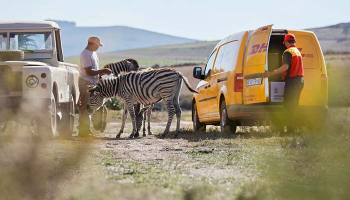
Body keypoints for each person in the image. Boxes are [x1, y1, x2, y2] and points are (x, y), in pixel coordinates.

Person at [263, 34, 304, 133]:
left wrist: (271, 74)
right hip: (300, 81)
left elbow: (285, 67)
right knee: (294, 105)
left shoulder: (287, 52)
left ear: (285, 42)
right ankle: (294, 130)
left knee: (288, 105)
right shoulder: (297, 51)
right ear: (294, 42)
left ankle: (290, 130)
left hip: (292, 81)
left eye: (284, 43)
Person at [78, 36, 111, 136]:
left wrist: (100, 76)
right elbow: (88, 71)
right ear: (91, 44)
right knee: (85, 107)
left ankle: (86, 129)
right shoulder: (85, 54)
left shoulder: (93, 54)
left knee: (89, 107)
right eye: (97, 45)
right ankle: (84, 130)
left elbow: (94, 70)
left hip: (92, 82)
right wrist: (103, 71)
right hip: (86, 82)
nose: (98, 47)